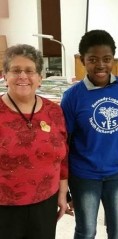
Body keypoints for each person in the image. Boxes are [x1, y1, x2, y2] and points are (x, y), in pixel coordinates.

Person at [60, 29, 118, 239]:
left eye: (107, 59)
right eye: (93, 59)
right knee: (86, 231)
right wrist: (65, 189)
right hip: (84, 175)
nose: (101, 65)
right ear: (83, 61)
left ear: (113, 58)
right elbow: (63, 145)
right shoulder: (72, 97)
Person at [0, 44, 69, 239]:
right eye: (15, 70)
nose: (23, 76)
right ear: (5, 76)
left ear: (40, 78)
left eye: (30, 71)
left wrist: (63, 195)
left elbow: (62, 157)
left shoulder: (53, 111)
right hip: (5, 208)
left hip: (45, 203)